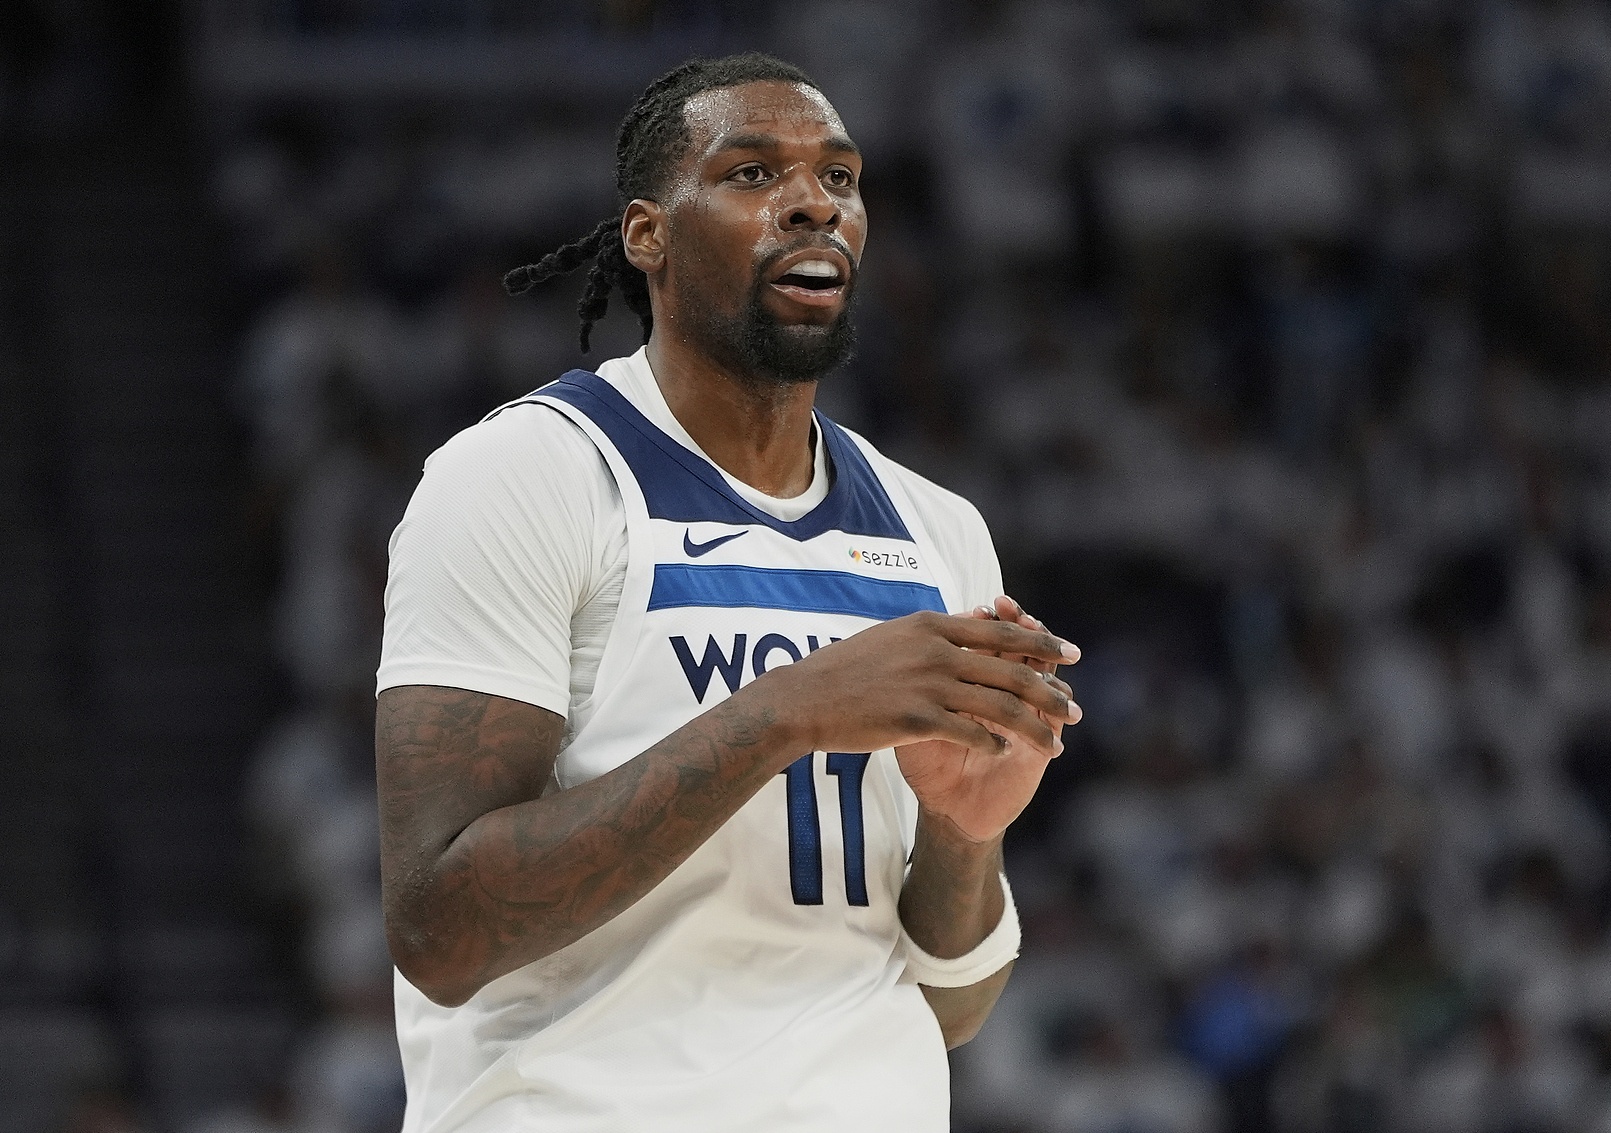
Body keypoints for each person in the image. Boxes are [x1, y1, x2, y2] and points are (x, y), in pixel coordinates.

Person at [374, 52, 1083, 1132]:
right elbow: (442, 931)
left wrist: (961, 830)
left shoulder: (937, 530)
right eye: (752, 173)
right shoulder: (525, 475)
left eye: (839, 178)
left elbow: (950, 1006)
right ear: (646, 234)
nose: (813, 202)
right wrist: (785, 713)